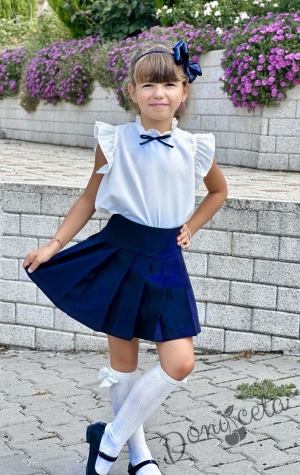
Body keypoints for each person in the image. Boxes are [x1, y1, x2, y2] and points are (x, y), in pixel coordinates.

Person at [22, 39, 228, 475]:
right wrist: (54, 244)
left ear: (184, 91)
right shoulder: (114, 140)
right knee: (125, 362)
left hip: (166, 261)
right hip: (118, 253)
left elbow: (218, 192)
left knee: (180, 361)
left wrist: (190, 226)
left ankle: (108, 438)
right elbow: (88, 199)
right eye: (148, 84)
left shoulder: (196, 146)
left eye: (169, 84)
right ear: (132, 92)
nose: (159, 93)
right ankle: (138, 455)